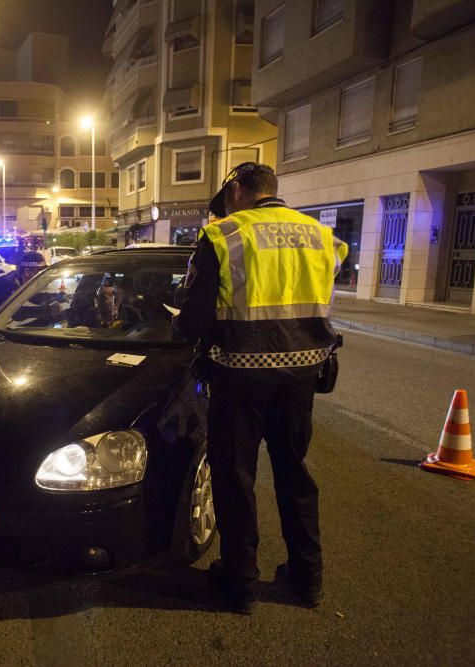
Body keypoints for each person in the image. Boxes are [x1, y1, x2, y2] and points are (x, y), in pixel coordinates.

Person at [176, 162, 348, 614]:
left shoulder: (223, 235)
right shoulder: (320, 235)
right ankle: (308, 580)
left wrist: (185, 326)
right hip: (301, 378)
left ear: (236, 190)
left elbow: (192, 321)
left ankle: (240, 583)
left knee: (235, 477)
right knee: (295, 474)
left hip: (239, 376)